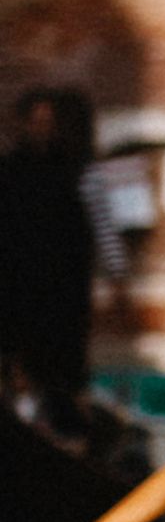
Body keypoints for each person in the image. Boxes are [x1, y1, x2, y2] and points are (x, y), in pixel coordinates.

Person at [0, 86, 100, 426]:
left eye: (48, 121)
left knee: (63, 364)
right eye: (36, 120)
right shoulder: (9, 171)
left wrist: (114, 279)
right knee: (18, 352)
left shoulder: (74, 170)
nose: (42, 127)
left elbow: (97, 226)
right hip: (17, 282)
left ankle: (66, 425)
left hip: (63, 286)